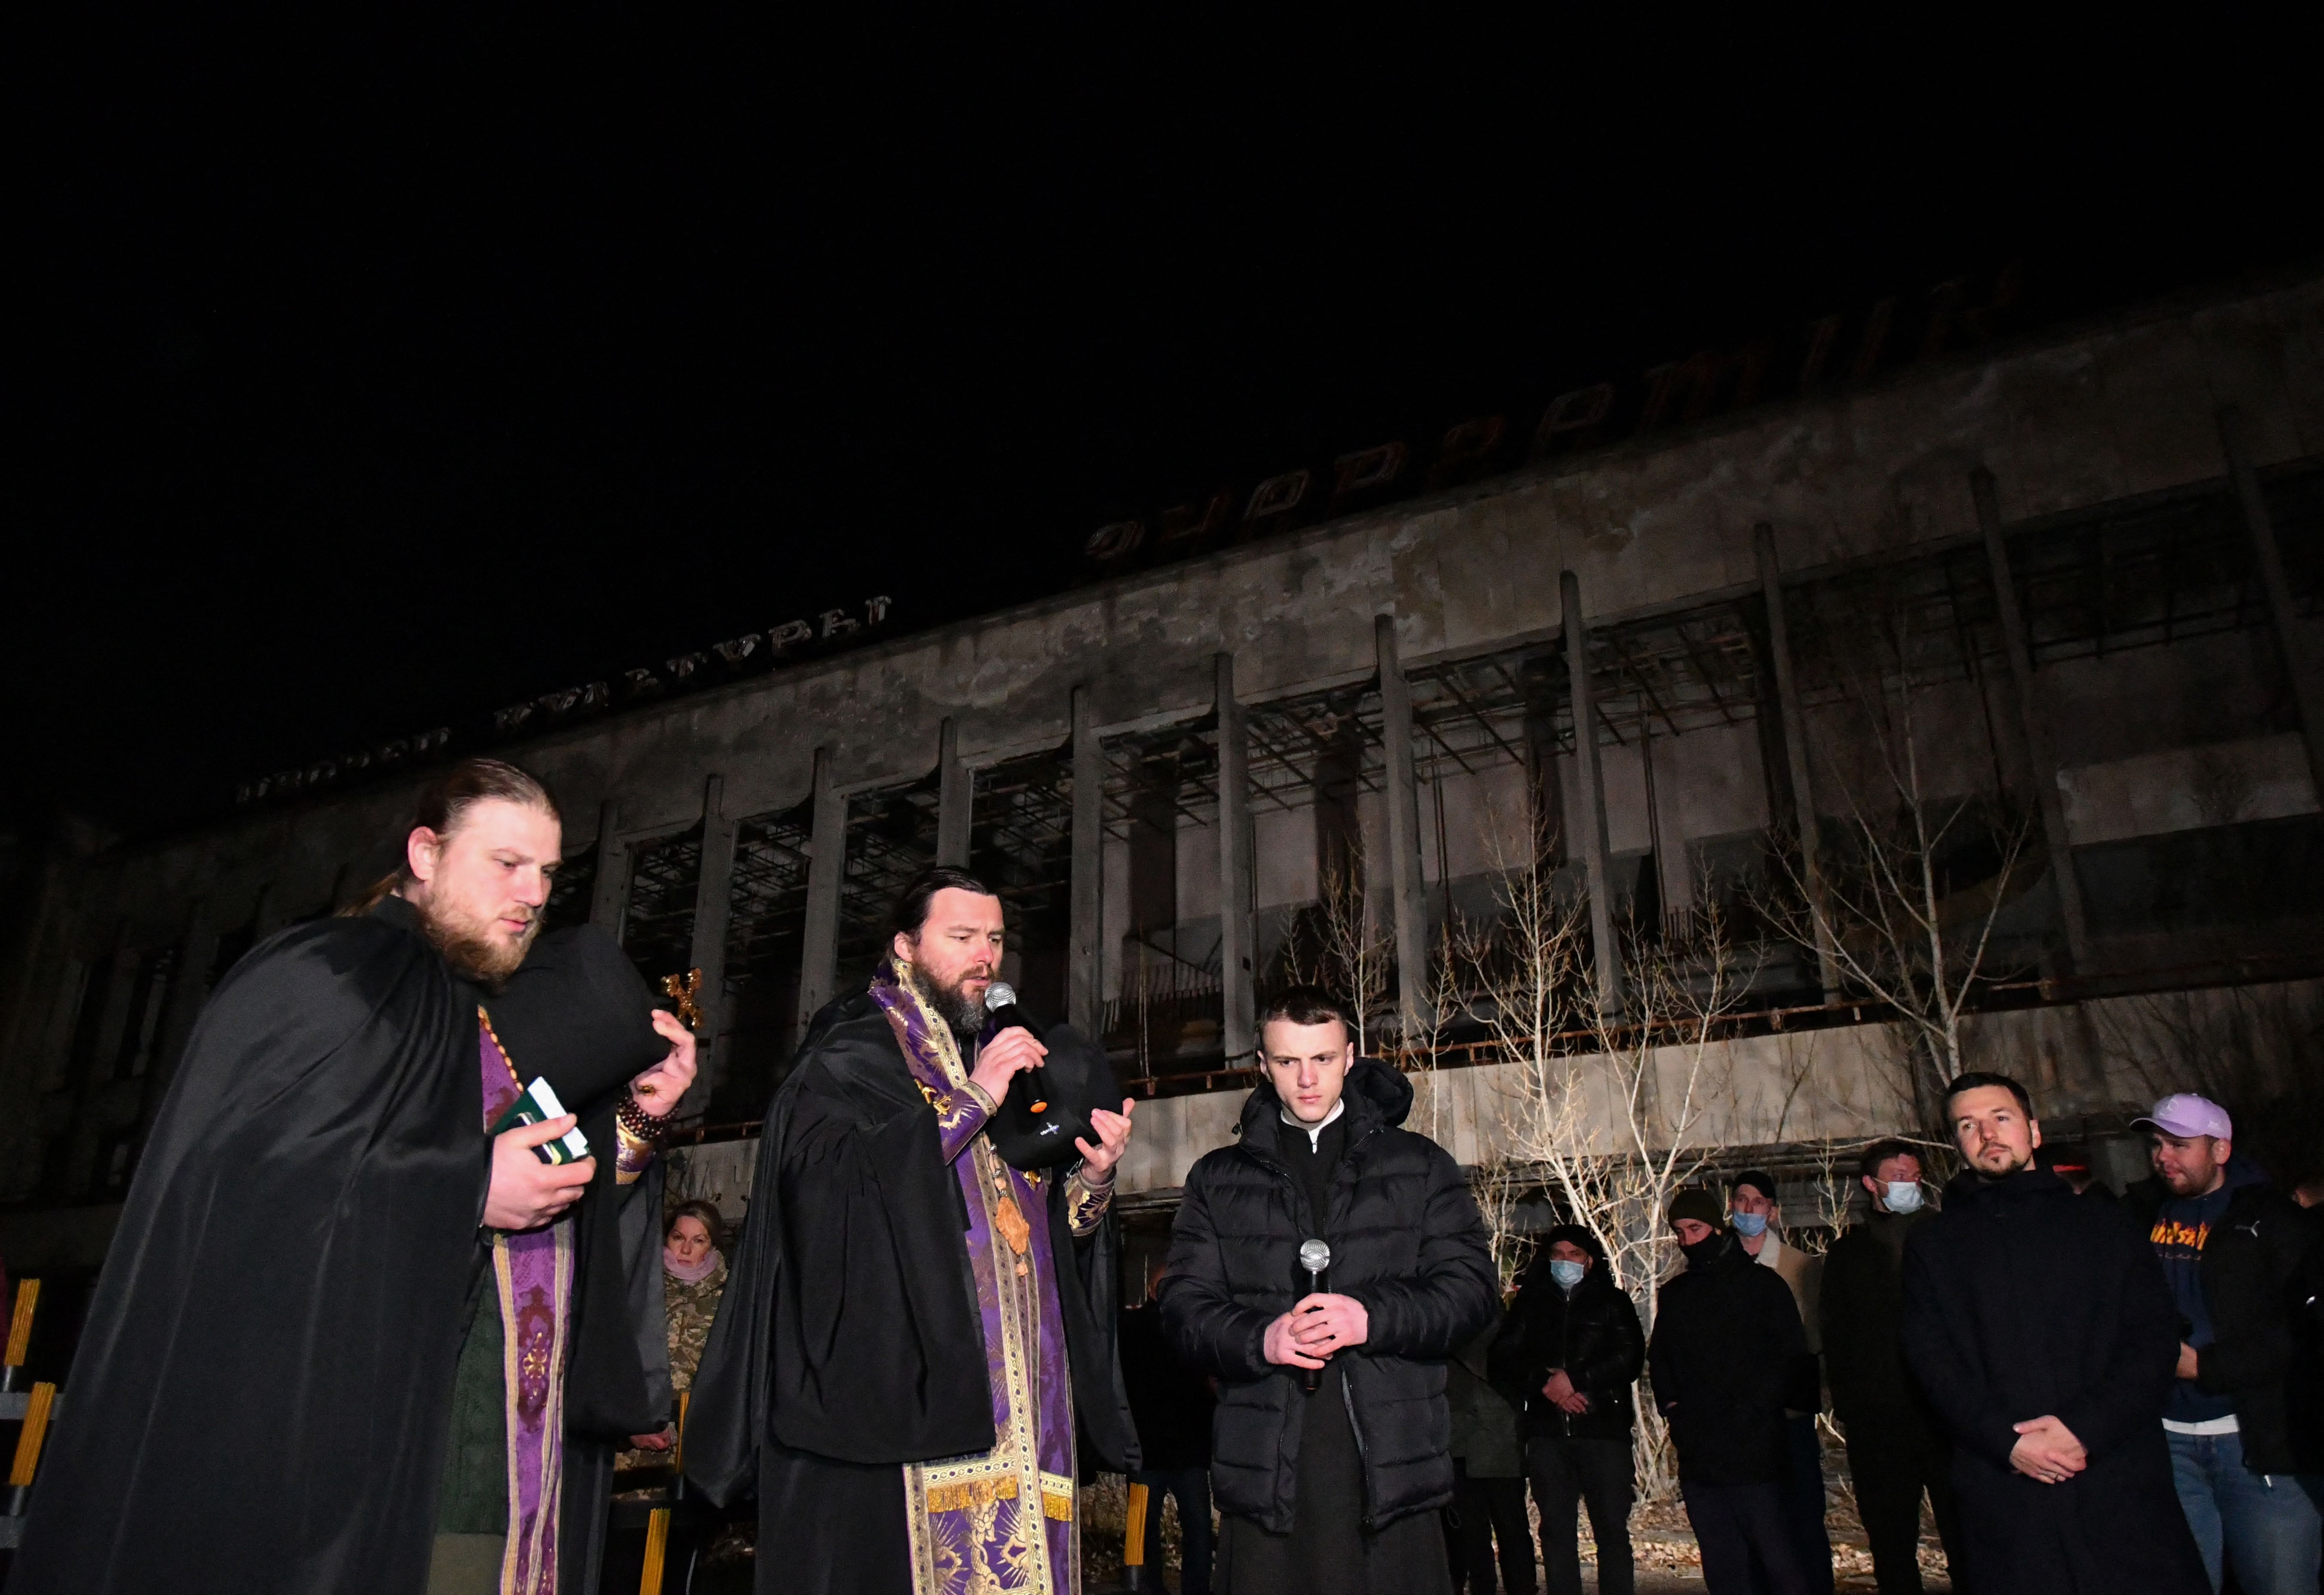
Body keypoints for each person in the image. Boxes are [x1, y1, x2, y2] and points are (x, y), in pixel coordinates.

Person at [12, 758, 699, 1595]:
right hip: (296, 1453)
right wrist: (466, 1186)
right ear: (424, 852)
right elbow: (247, 1187)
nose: (532, 891)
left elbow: (548, 1222)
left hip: (447, 1444)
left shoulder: (451, 1003)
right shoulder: (330, 972)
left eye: (548, 872)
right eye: (505, 861)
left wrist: (631, 1122)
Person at [684, 865, 1139, 1594]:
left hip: (1028, 1414)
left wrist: (1090, 1179)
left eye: (992, 938)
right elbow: (831, 1194)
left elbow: (1038, 1227)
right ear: (905, 946)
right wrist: (973, 1099)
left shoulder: (1003, 1052)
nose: (984, 956)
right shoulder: (854, 1051)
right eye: (960, 936)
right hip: (914, 1421)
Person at [1159, 984, 1498, 1594]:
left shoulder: (1419, 1165)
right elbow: (1184, 1310)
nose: (1307, 1079)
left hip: (1390, 1473)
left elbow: (1472, 1291)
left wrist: (1372, 1318)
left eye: (1322, 1058)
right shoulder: (1216, 1179)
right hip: (1268, 1473)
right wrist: (1263, 1338)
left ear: (1350, 1056)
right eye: (1287, 1062)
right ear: (1262, 1067)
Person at [1900, 1070, 2208, 1595]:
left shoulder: (2104, 1224)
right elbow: (1932, 1362)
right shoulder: (1934, 1244)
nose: (1988, 1134)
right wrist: (2006, 1442)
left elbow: (2152, 1340)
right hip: (2006, 1492)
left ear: (2034, 1132)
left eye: (2002, 1118)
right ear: (1957, 1143)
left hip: (2117, 1482)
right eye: (1968, 1125)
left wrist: (2082, 1428)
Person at [2121, 1094, 2321, 1594]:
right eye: (2157, 1144)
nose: (2163, 1156)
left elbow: (2304, 1336)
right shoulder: (2138, 1214)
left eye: (2179, 1144)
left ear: (2220, 1149)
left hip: (2258, 1448)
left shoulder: (2273, 1221)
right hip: (2167, 1446)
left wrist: (2206, 1366)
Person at [1647, 1189, 1814, 1595]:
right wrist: (1676, 1411)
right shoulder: (1676, 1294)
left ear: (1716, 1227)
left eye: (1695, 1228)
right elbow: (1661, 1360)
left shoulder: (1762, 1286)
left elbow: (1790, 1359)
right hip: (1702, 1450)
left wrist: (1755, 1407)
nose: (1687, 1239)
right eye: (1680, 1231)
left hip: (1755, 1448)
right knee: (1723, 1564)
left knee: (1778, 1557)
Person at [1817, 1139, 1964, 1595]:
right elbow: (1836, 1332)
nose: (1909, 1184)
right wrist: (1851, 1406)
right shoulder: (1849, 1253)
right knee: (1892, 1540)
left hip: (1946, 1414)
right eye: (1899, 1176)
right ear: (1871, 1183)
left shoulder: (1946, 1236)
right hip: (1879, 1419)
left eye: (1914, 1176)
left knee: (1966, 1534)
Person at [1490, 1224, 1644, 1595]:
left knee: (1611, 1531)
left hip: (1603, 1431)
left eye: (1574, 1254)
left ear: (1589, 1260)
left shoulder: (1613, 1302)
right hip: (1547, 1434)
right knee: (1556, 1533)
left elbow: (1629, 1358)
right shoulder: (1530, 1304)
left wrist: (1576, 1380)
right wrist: (1547, 1387)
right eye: (1557, 1254)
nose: (1565, 1262)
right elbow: (1501, 1360)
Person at [1726, 1170, 1833, 1595]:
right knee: (1751, 1523)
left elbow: (1814, 1340)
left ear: (1772, 1210)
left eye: (1757, 1202)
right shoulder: (1720, 1267)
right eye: (1740, 1200)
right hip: (1738, 1419)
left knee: (1803, 1518)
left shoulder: (1799, 1266)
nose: (1748, 1209)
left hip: (1788, 1413)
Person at [1121, 1253, 1218, 1595]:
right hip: (1186, 1451)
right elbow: (1210, 1386)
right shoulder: (1191, 1330)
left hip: (1144, 1451)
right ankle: (1195, 1591)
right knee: (1198, 1531)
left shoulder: (1128, 1329)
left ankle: (1143, 1590)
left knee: (1140, 1533)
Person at [622, 1201, 732, 1464]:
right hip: (633, 1450)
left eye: (699, 1241)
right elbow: (612, 1365)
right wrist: (627, 1428)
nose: (685, 1249)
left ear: (712, 1245)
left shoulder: (729, 1298)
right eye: (678, 1237)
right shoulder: (640, 1286)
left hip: (701, 1453)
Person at [1444, 1314, 1533, 1595]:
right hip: (1462, 1442)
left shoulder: (1509, 1326)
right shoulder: (1444, 1323)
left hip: (1498, 1441)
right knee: (1469, 1535)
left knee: (1510, 1531)